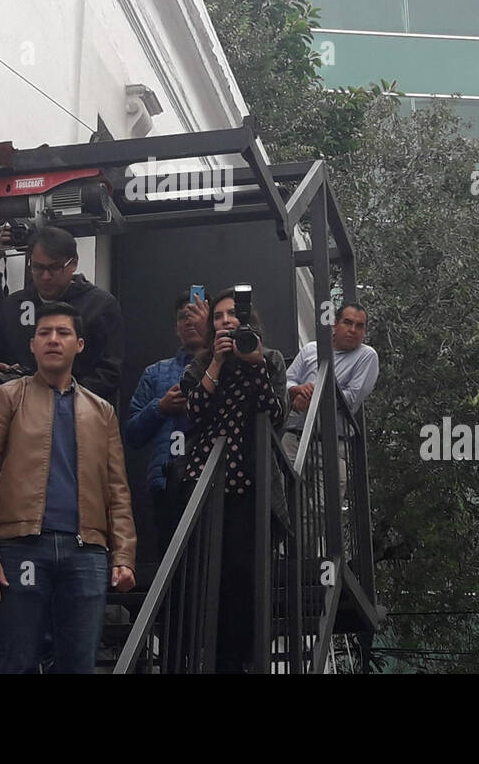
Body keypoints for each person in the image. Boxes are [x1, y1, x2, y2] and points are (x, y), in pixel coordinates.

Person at [0, 301, 136, 674]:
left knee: (78, 664)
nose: (53, 340)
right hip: (22, 546)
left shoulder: (101, 411)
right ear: (32, 345)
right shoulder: (7, 397)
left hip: (86, 552)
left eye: (62, 333)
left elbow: (117, 489)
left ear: (80, 344)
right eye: (44, 333)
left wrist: (123, 555)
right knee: (17, 660)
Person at [180, 288, 287, 673]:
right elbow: (193, 411)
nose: (227, 321)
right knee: (209, 573)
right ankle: (211, 657)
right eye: (219, 317)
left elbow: (273, 414)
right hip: (206, 479)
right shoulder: (203, 362)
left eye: (233, 315)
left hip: (251, 483)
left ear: (247, 320)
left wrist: (254, 363)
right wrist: (217, 365)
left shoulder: (269, 359)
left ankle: (239, 659)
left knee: (245, 575)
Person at [0, 225, 124, 404]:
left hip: (76, 416)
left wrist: (57, 396)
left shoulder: (100, 306)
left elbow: (109, 374)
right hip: (19, 415)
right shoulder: (12, 306)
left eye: (54, 268)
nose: (45, 276)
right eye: (38, 267)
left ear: (73, 263)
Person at [124, 292, 209, 554]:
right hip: (165, 480)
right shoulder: (156, 372)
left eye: (196, 315)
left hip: (215, 478)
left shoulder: (226, 366)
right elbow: (132, 434)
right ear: (176, 328)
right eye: (183, 317)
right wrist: (159, 408)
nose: (189, 321)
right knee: (170, 559)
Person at [281, 303, 379, 466]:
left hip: (332, 445)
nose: (353, 330)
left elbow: (350, 399)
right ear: (335, 323)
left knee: (327, 491)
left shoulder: (366, 355)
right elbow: (286, 381)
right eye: (347, 322)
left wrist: (310, 397)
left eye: (359, 326)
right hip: (293, 439)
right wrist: (296, 390)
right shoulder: (310, 349)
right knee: (286, 489)